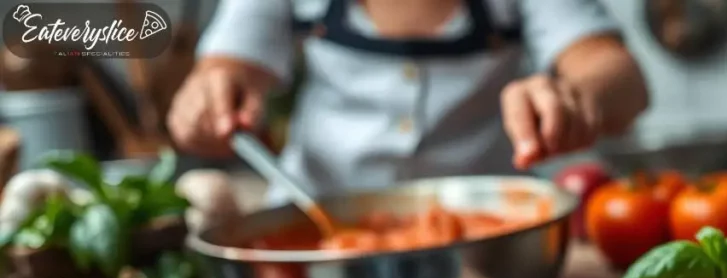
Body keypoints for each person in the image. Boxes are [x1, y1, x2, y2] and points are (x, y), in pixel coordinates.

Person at [167, 0, 649, 205]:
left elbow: (621, 78)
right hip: (315, 230)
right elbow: (221, 71)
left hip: (489, 241)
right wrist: (206, 98)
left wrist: (574, 96)